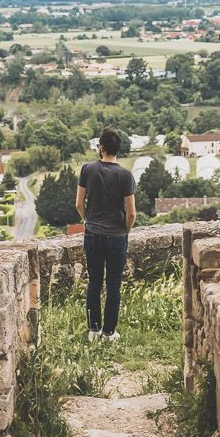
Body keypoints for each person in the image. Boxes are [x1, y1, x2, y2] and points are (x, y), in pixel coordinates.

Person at [76, 128, 136, 342]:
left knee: (93, 283)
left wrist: (87, 220)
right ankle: (109, 332)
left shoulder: (87, 169)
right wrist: (125, 231)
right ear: (118, 149)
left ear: (100, 147)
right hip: (116, 237)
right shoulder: (125, 175)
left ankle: (93, 330)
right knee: (113, 286)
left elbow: (78, 203)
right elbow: (131, 212)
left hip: (92, 233)